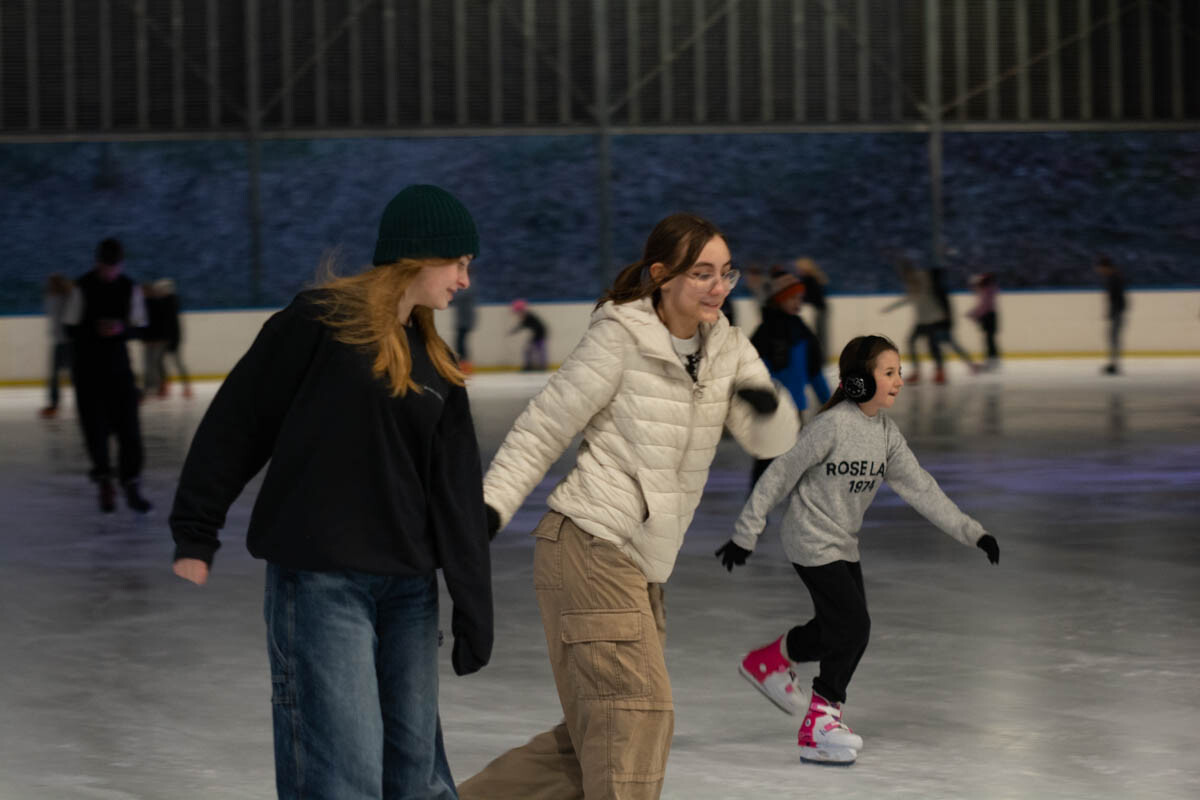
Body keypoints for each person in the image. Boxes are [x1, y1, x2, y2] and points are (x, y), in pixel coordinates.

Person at [458, 213, 801, 800]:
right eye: (702, 273)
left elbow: (772, 442)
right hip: (591, 545)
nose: (719, 286)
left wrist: (767, 407)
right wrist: (487, 509)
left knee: (602, 732)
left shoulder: (727, 346)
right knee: (637, 715)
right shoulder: (619, 337)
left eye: (726, 273)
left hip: (641, 568)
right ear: (661, 275)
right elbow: (544, 428)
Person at [168, 184, 493, 799]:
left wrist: (473, 603)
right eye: (459, 263)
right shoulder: (318, 323)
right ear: (418, 255)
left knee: (416, 778)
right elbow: (239, 422)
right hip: (323, 585)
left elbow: (455, 492)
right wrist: (196, 527)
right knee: (342, 777)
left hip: (409, 592)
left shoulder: (435, 359)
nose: (465, 281)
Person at [714, 334, 1000, 765]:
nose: (899, 381)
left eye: (899, 372)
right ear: (859, 381)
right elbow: (778, 476)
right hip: (810, 539)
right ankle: (819, 722)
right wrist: (745, 533)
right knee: (853, 627)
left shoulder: (885, 435)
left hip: (843, 542)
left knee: (838, 630)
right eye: (889, 372)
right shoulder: (829, 427)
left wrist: (972, 532)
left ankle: (767, 661)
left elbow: (921, 488)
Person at [62, 238, 152, 512]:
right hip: (88, 371)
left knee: (130, 432)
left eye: (114, 267)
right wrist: (94, 329)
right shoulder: (83, 287)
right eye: (105, 267)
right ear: (98, 263)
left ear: (120, 265)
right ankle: (104, 481)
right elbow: (70, 328)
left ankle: (131, 484)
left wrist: (120, 329)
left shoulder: (129, 287)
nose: (110, 273)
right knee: (95, 431)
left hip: (119, 370)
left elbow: (141, 327)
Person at [749, 270, 831, 486]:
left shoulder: (802, 331)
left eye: (800, 298)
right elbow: (753, 375)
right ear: (779, 299)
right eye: (793, 298)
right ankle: (757, 512)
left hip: (795, 411)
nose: (799, 303)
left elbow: (815, 372)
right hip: (771, 412)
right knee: (766, 464)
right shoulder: (764, 333)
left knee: (797, 464)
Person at [881, 256, 946, 384]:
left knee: (932, 346)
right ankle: (919, 372)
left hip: (932, 319)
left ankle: (939, 372)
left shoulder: (922, 278)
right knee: (914, 342)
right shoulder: (912, 284)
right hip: (922, 321)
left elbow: (929, 285)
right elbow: (907, 299)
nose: (904, 277)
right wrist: (890, 308)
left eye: (904, 273)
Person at [143, 278, 192, 397]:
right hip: (169, 338)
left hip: (170, 339)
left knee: (172, 362)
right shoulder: (169, 302)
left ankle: (179, 386)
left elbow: (170, 324)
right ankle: (167, 385)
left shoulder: (168, 302)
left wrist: (170, 339)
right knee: (162, 362)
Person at [930, 267, 982, 375]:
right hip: (942, 323)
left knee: (937, 346)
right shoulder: (940, 290)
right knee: (949, 345)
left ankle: (941, 369)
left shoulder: (937, 291)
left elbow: (944, 309)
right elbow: (947, 308)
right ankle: (969, 364)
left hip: (940, 323)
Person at [39, 273, 74, 418]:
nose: (50, 286)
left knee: (72, 375)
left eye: (53, 283)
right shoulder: (52, 298)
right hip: (60, 341)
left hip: (68, 342)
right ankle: (54, 404)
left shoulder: (66, 298)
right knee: (54, 376)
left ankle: (55, 404)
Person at [1096, 255, 1127, 375]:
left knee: (1114, 339)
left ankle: (1114, 364)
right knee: (1113, 339)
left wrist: (1114, 312)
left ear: (1105, 267)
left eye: (1100, 268)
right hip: (1116, 312)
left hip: (1117, 313)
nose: (1099, 271)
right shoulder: (1113, 278)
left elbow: (1117, 298)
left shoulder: (1114, 278)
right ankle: (1113, 363)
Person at [794, 256, 830, 352]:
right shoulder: (813, 279)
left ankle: (819, 355)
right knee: (820, 334)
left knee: (818, 335)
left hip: (818, 309)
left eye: (798, 268)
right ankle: (821, 355)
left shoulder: (808, 280)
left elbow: (808, 296)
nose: (797, 270)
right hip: (820, 308)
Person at [966, 271, 1000, 371]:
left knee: (989, 338)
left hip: (988, 316)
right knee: (989, 338)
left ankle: (992, 360)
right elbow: (975, 289)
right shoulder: (987, 289)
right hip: (988, 316)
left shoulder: (988, 290)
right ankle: (992, 359)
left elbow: (984, 306)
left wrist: (974, 314)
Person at [508, 298, 548, 371]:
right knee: (531, 350)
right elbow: (523, 325)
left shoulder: (528, 316)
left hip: (539, 334)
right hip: (537, 334)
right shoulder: (527, 316)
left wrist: (513, 331)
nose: (517, 314)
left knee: (537, 350)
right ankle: (532, 365)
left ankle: (537, 366)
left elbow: (523, 325)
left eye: (518, 312)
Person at [452, 282, 478, 373]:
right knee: (460, 343)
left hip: (465, 322)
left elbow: (456, 298)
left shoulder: (467, 289)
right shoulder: (466, 289)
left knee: (461, 344)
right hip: (463, 321)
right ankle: (464, 365)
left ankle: (465, 366)